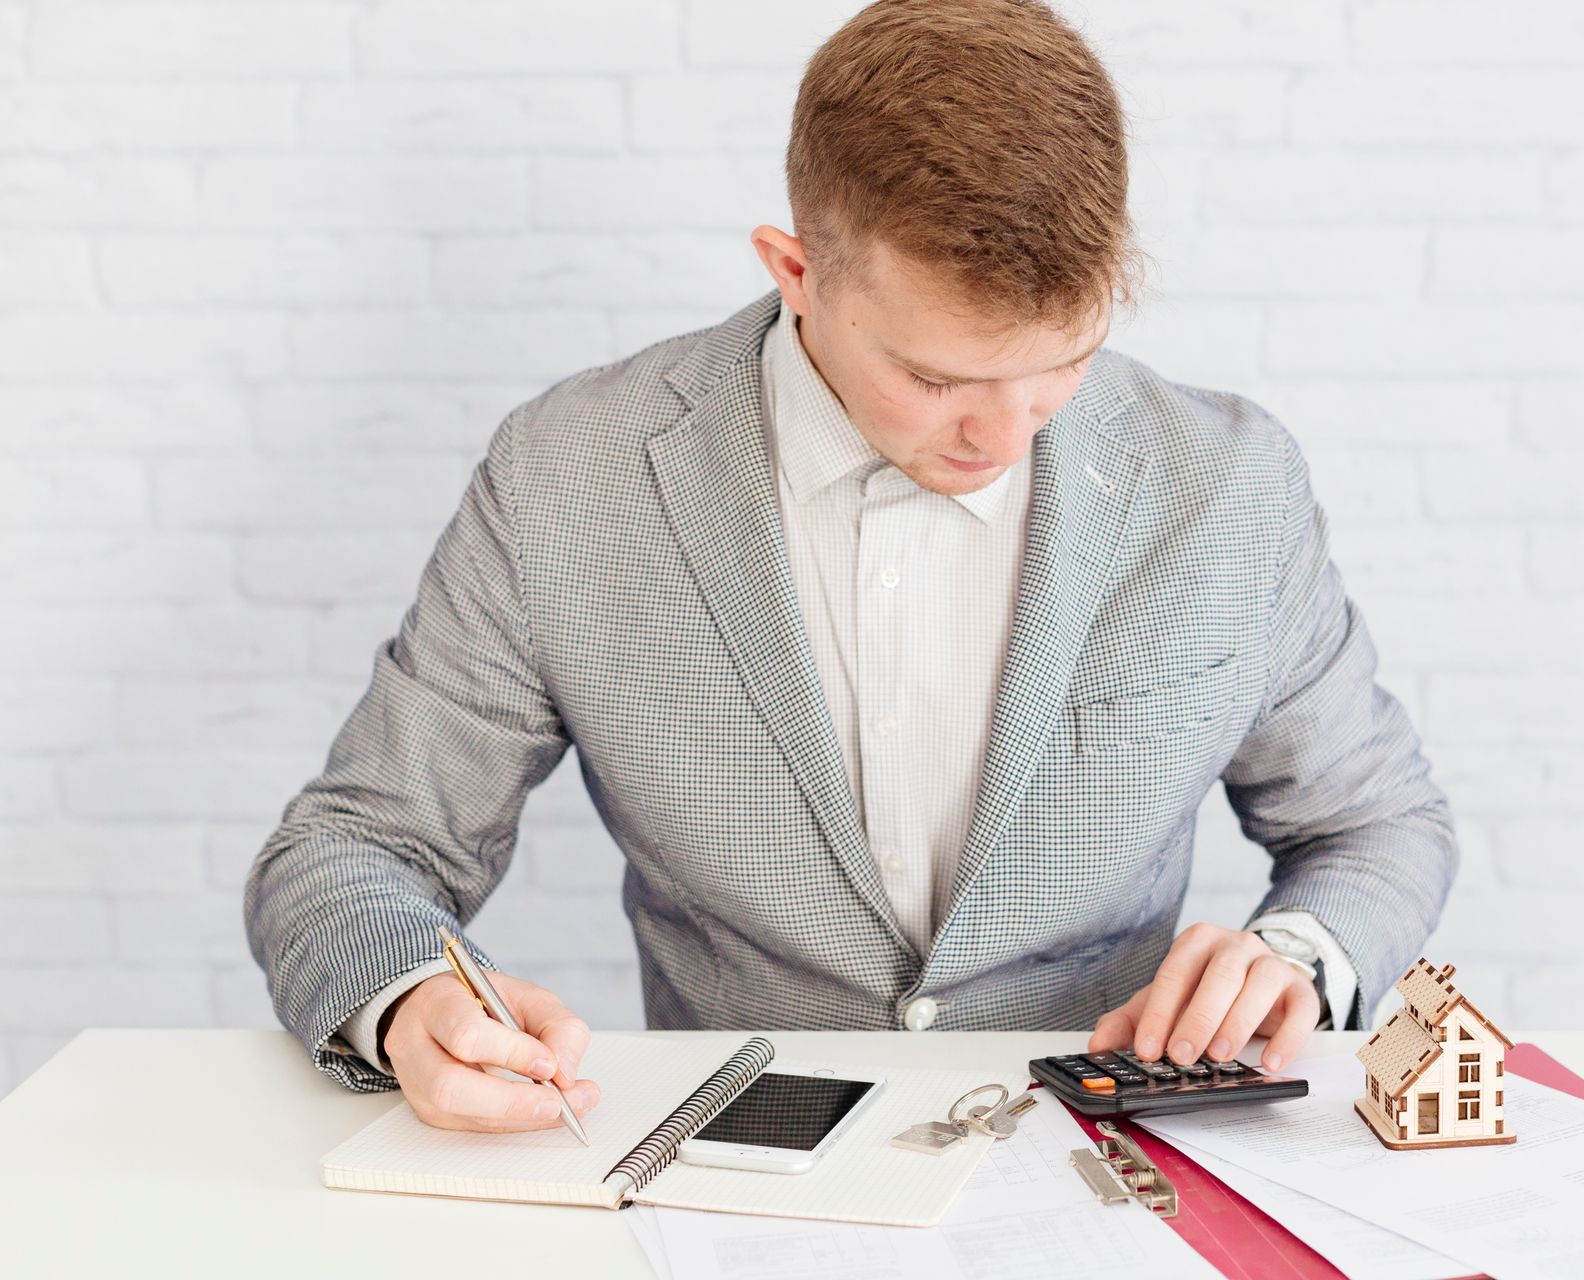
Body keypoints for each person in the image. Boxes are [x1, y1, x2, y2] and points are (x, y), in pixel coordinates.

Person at [244, 0, 1457, 1135]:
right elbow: (359, 846)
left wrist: (1296, 953)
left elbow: (1378, 823)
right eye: (935, 379)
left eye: (1063, 363)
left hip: (1102, 1163)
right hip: (734, 1167)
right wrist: (410, 1001)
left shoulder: (1224, 485)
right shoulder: (573, 477)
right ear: (796, 271)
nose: (1006, 435)